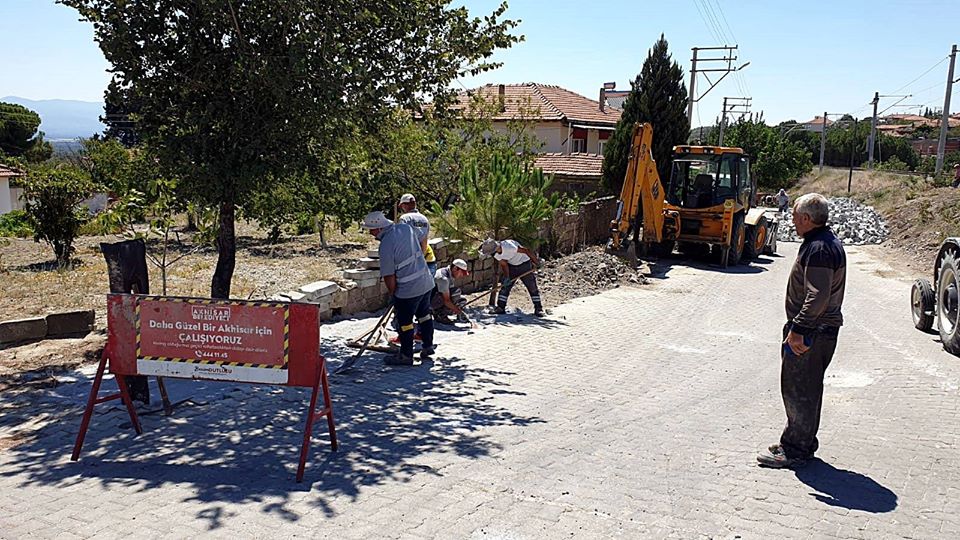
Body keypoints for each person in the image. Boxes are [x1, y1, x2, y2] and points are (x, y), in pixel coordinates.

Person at [758, 193, 846, 469]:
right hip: (820, 329)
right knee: (809, 387)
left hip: (812, 331)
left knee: (798, 389)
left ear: (807, 219)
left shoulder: (818, 248)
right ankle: (803, 441)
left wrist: (798, 329)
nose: (793, 220)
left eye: (795, 216)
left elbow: (817, 296)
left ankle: (795, 449)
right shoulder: (824, 242)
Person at [361, 211, 436, 366]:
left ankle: (406, 355)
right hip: (426, 281)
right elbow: (422, 243)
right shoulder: (405, 228)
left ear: (378, 228)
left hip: (409, 290)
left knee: (405, 322)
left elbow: (389, 276)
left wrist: (393, 294)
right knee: (424, 315)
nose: (370, 233)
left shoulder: (386, 244)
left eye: (371, 229)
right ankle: (428, 346)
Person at [479, 238, 545, 317]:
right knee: (505, 287)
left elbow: (526, 251)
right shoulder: (496, 254)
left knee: (532, 287)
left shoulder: (509, 246)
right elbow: (504, 264)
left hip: (524, 264)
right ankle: (500, 307)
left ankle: (538, 309)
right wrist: (507, 277)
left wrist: (536, 262)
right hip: (512, 267)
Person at [397, 193, 437, 273]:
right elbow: (424, 240)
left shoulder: (405, 218)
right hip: (427, 259)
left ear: (404, 205)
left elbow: (402, 240)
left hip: (411, 262)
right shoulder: (424, 219)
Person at [431, 258, 470, 324]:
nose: (461, 276)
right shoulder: (443, 279)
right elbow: (447, 301)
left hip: (435, 297)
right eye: (461, 273)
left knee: (460, 299)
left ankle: (438, 312)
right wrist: (459, 312)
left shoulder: (449, 273)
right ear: (455, 268)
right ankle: (439, 315)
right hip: (430, 301)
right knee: (455, 295)